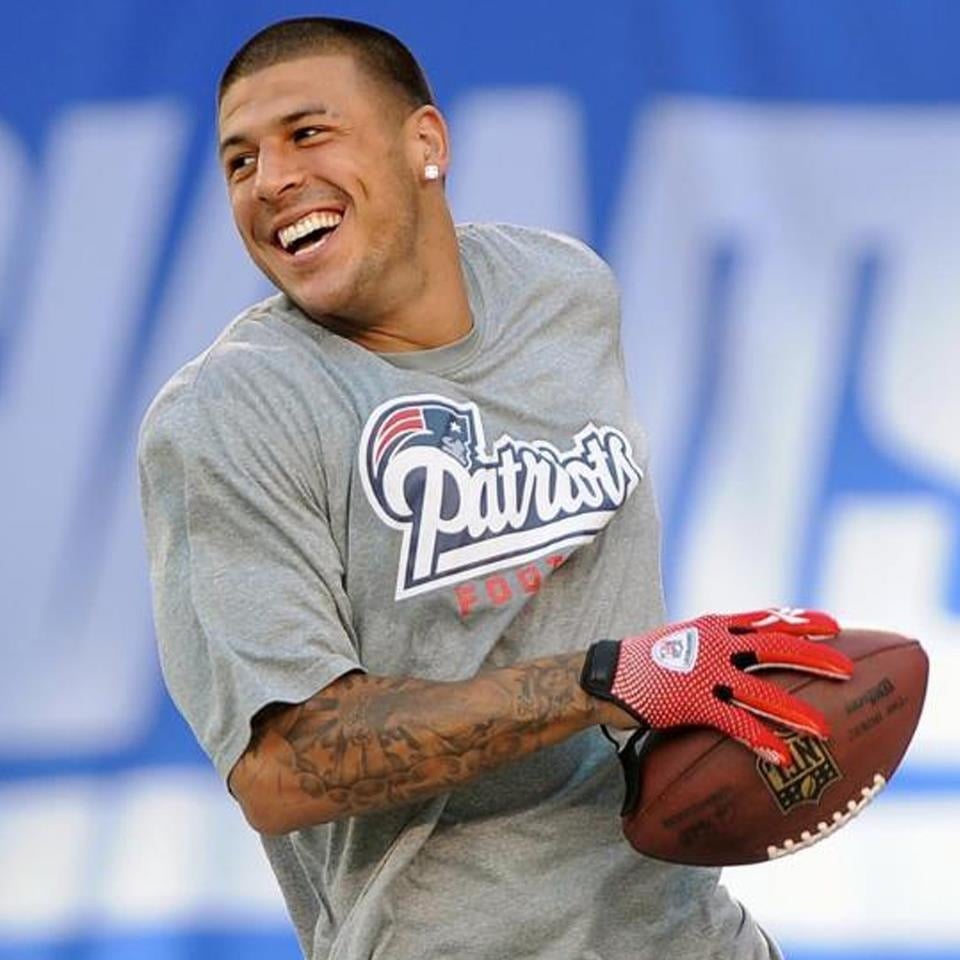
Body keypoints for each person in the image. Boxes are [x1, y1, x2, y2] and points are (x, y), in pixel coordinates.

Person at [138, 17, 852, 960]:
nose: (270, 179)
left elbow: (599, 614)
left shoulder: (561, 291)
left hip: (689, 935)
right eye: (240, 161)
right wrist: (605, 680)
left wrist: (702, 704)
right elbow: (286, 767)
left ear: (424, 143)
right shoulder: (231, 413)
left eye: (307, 133)